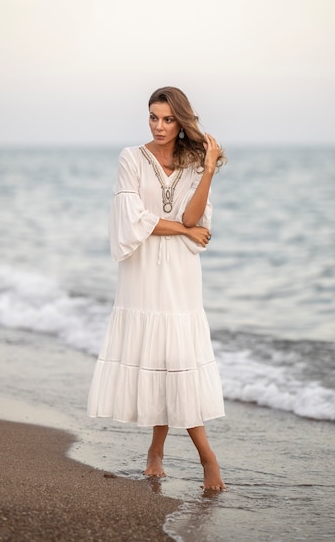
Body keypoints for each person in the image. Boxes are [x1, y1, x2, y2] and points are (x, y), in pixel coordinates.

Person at [88, 86, 227, 491]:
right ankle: (182, 455)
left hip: (181, 277)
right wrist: (184, 230)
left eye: (168, 119)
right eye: (153, 117)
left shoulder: (194, 163)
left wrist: (210, 169)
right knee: (158, 358)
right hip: (141, 275)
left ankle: (186, 455)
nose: (160, 126)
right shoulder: (130, 158)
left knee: (176, 358)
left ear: (181, 121)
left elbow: (194, 214)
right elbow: (132, 222)